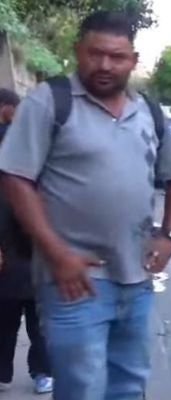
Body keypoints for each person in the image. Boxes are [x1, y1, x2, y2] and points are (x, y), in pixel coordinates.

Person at [0, 11, 171, 400]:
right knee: (82, 389)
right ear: (78, 52)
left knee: (129, 384)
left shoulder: (148, 111)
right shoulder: (50, 102)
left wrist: (169, 234)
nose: (104, 65)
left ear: (133, 61)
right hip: (73, 281)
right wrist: (56, 254)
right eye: (94, 53)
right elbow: (15, 178)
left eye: (116, 56)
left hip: (136, 278)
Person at [0, 88, 53, 395]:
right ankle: (33, 371)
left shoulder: (43, 153)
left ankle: (39, 371)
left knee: (35, 316)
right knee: (13, 315)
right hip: (12, 243)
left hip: (36, 244)